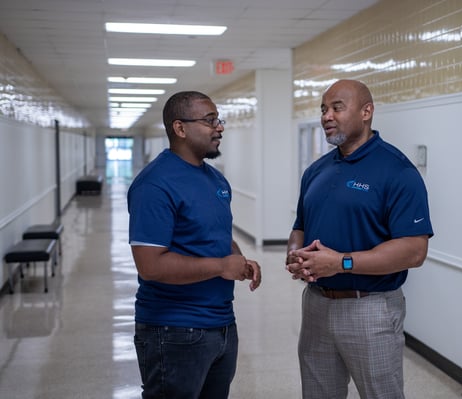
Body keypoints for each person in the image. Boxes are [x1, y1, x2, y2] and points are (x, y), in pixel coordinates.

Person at [286, 79, 433, 399]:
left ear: (367, 112)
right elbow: (300, 226)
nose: (326, 116)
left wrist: (341, 262)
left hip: (369, 308)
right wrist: (295, 253)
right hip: (316, 304)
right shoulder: (316, 171)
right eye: (323, 109)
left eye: (337, 107)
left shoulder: (397, 171)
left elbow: (414, 251)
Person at [127, 91, 261, 399]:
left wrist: (238, 259)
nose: (219, 127)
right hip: (172, 331)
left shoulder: (215, 180)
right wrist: (221, 266)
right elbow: (150, 265)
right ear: (180, 128)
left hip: (222, 324)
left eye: (219, 119)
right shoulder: (155, 184)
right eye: (209, 120)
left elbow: (213, 235)